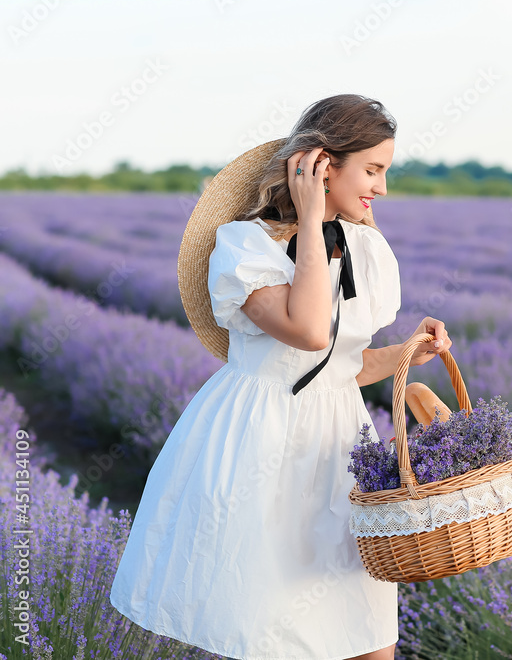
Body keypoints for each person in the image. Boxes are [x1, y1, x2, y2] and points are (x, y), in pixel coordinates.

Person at [109, 94, 452, 659]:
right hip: (261, 442)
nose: (382, 189)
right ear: (321, 165)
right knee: (272, 632)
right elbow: (310, 332)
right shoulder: (244, 247)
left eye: (384, 171)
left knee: (367, 630)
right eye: (372, 170)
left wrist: (406, 354)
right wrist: (312, 221)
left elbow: (339, 366)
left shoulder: (363, 247)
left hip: (342, 444)